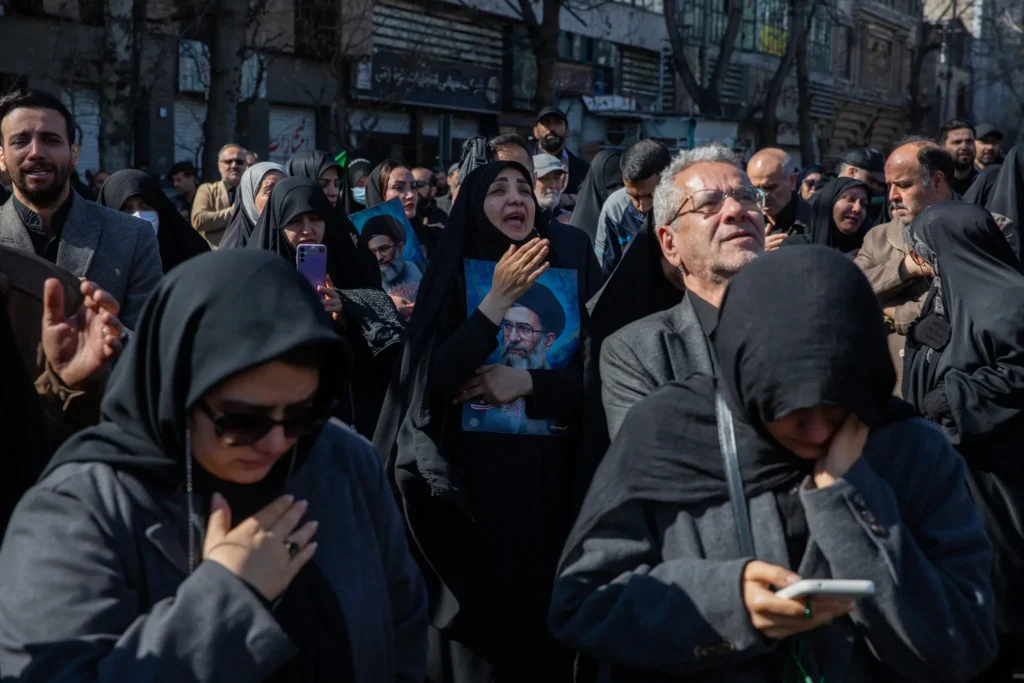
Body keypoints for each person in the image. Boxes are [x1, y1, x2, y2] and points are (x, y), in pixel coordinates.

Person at [552, 245, 998, 682]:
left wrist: (846, 498)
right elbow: (583, 602)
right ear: (746, 376)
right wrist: (726, 603)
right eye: (793, 412)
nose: (819, 433)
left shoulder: (909, 449)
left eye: (836, 407)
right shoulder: (669, 434)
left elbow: (966, 643)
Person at [0, 248, 428, 682]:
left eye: (303, 412)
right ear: (178, 391)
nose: (277, 441)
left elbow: (402, 626)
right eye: (243, 420)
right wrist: (230, 598)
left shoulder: (342, 458)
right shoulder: (77, 512)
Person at [373, 161, 601, 683]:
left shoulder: (572, 264)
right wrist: (496, 300)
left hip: (551, 493)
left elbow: (602, 374)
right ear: (473, 206)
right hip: (472, 497)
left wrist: (530, 384)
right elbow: (430, 383)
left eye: (524, 188)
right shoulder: (452, 273)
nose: (515, 199)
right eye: (498, 190)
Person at [901, 202, 1024, 678]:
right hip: (956, 468)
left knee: (1004, 573)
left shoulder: (1012, 300)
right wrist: (921, 343)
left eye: (929, 253)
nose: (927, 264)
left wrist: (956, 397)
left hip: (1001, 474)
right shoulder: (949, 294)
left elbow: (1015, 376)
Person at [600, 143, 765, 441]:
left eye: (747, 197)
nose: (735, 209)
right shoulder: (636, 352)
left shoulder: (809, 325)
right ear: (670, 244)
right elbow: (656, 469)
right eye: (708, 203)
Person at [248, 177, 402, 438]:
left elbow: (380, 309)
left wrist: (344, 308)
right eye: (295, 221)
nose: (307, 230)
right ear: (278, 224)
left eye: (315, 219)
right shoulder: (257, 272)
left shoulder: (351, 259)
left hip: (348, 405)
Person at [0, 89, 162, 330]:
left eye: (50, 140)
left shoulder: (134, 236)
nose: (36, 153)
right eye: (21, 141)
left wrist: (97, 325)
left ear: (74, 153)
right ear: (2, 157)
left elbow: (149, 346)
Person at [96, 170, 211, 274]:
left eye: (145, 206)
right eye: (126, 209)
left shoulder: (194, 259)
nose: (139, 216)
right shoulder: (93, 269)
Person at [594, 140, 672, 277]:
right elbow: (606, 269)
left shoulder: (687, 205)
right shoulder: (615, 208)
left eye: (650, 196)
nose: (641, 207)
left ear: (668, 178)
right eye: (633, 197)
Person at [365, 159, 442, 261]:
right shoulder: (359, 247)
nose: (410, 194)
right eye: (399, 187)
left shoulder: (437, 238)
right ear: (379, 194)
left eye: (413, 186)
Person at [784, 177, 872, 256]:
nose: (858, 208)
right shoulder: (794, 247)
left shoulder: (868, 251)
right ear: (829, 203)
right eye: (850, 199)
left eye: (864, 204)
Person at [361, 215, 422, 317]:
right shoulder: (369, 283)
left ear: (400, 247)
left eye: (384, 248)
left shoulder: (420, 268)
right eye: (372, 252)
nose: (378, 257)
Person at [747, 148, 807, 250]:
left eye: (770, 188)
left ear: (792, 181)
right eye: (755, 189)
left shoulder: (815, 221)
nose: (762, 195)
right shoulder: (744, 221)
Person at [219, 161, 287, 249]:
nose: (281, 198)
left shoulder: (291, 237)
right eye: (270, 191)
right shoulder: (235, 249)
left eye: (285, 190)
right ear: (249, 198)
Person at [192, 143, 247, 247]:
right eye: (228, 161)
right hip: (214, 254)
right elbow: (198, 221)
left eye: (239, 162)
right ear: (219, 166)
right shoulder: (207, 190)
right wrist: (236, 211)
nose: (234, 165)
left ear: (245, 165)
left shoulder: (253, 192)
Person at [533, 106, 589, 208]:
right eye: (546, 123)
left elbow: (585, 201)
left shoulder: (583, 169)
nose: (551, 128)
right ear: (535, 132)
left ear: (567, 132)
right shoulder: (523, 163)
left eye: (557, 123)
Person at [568, 149, 624, 246]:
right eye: (611, 186)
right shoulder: (578, 234)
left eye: (623, 185)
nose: (619, 193)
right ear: (598, 186)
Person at [937, 119, 978, 196]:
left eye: (969, 141)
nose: (964, 147)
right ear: (942, 147)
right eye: (957, 142)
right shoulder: (935, 183)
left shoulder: (982, 183)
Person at [533, 153, 570, 222]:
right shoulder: (521, 220)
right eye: (545, 178)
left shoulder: (572, 219)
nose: (553, 185)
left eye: (557, 178)